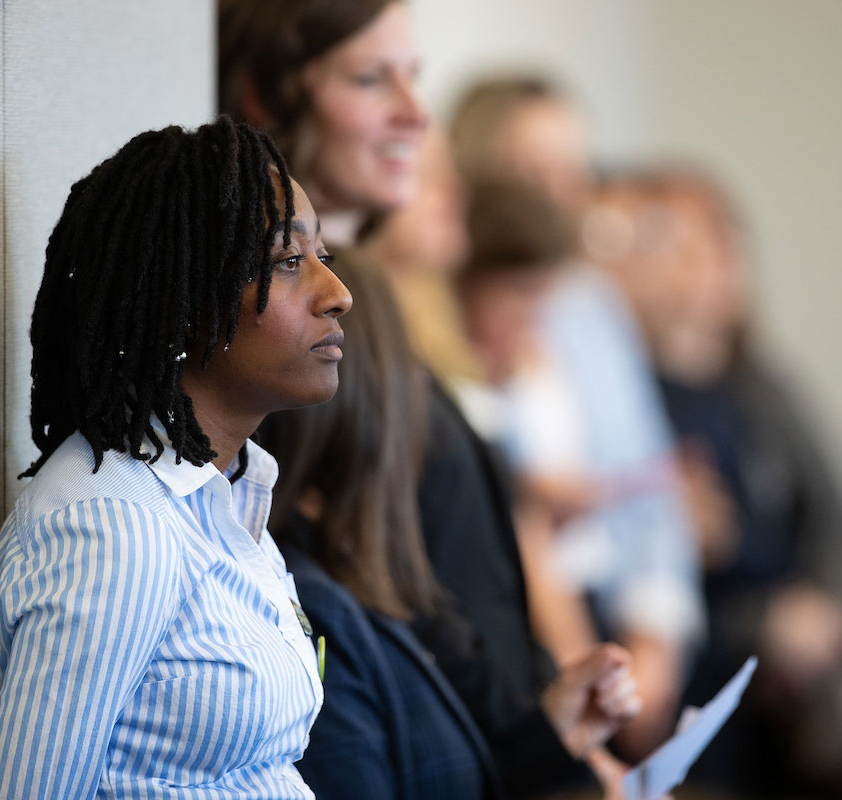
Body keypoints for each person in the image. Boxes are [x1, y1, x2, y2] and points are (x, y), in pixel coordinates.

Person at [218, 3, 621, 794]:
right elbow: (358, 585)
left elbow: (419, 581)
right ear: (264, 94)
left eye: (414, 76)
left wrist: (544, 738)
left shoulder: (378, 316)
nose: (417, 113)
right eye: (373, 78)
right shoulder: (284, 353)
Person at [0, 117, 350, 799]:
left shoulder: (228, 494)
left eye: (323, 256)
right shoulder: (115, 526)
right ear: (184, 301)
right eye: (289, 262)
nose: (337, 293)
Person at [260, 254, 641, 799]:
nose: (425, 400)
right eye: (409, 370)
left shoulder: (373, 585)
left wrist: (550, 740)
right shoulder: (321, 610)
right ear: (372, 401)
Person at [590, 167, 842, 798]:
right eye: (678, 244)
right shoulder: (621, 399)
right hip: (689, 713)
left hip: (795, 720)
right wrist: (757, 626)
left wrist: (826, 614)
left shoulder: (764, 385)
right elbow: (619, 569)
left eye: (722, 243)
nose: (708, 265)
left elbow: (839, 520)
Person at [450, 76, 707, 760]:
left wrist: (656, 642)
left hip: (614, 616)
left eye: (572, 168)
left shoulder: (594, 305)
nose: (558, 189)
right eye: (534, 168)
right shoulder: (450, 313)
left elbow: (653, 488)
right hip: (526, 632)